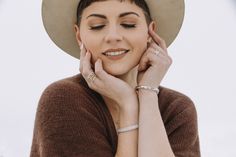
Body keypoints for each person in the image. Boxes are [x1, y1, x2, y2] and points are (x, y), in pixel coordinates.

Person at [30, 0, 201, 156]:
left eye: (128, 24)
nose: (113, 36)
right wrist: (128, 104)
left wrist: (147, 94)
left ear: (150, 32)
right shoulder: (63, 99)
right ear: (79, 36)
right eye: (97, 26)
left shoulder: (177, 109)